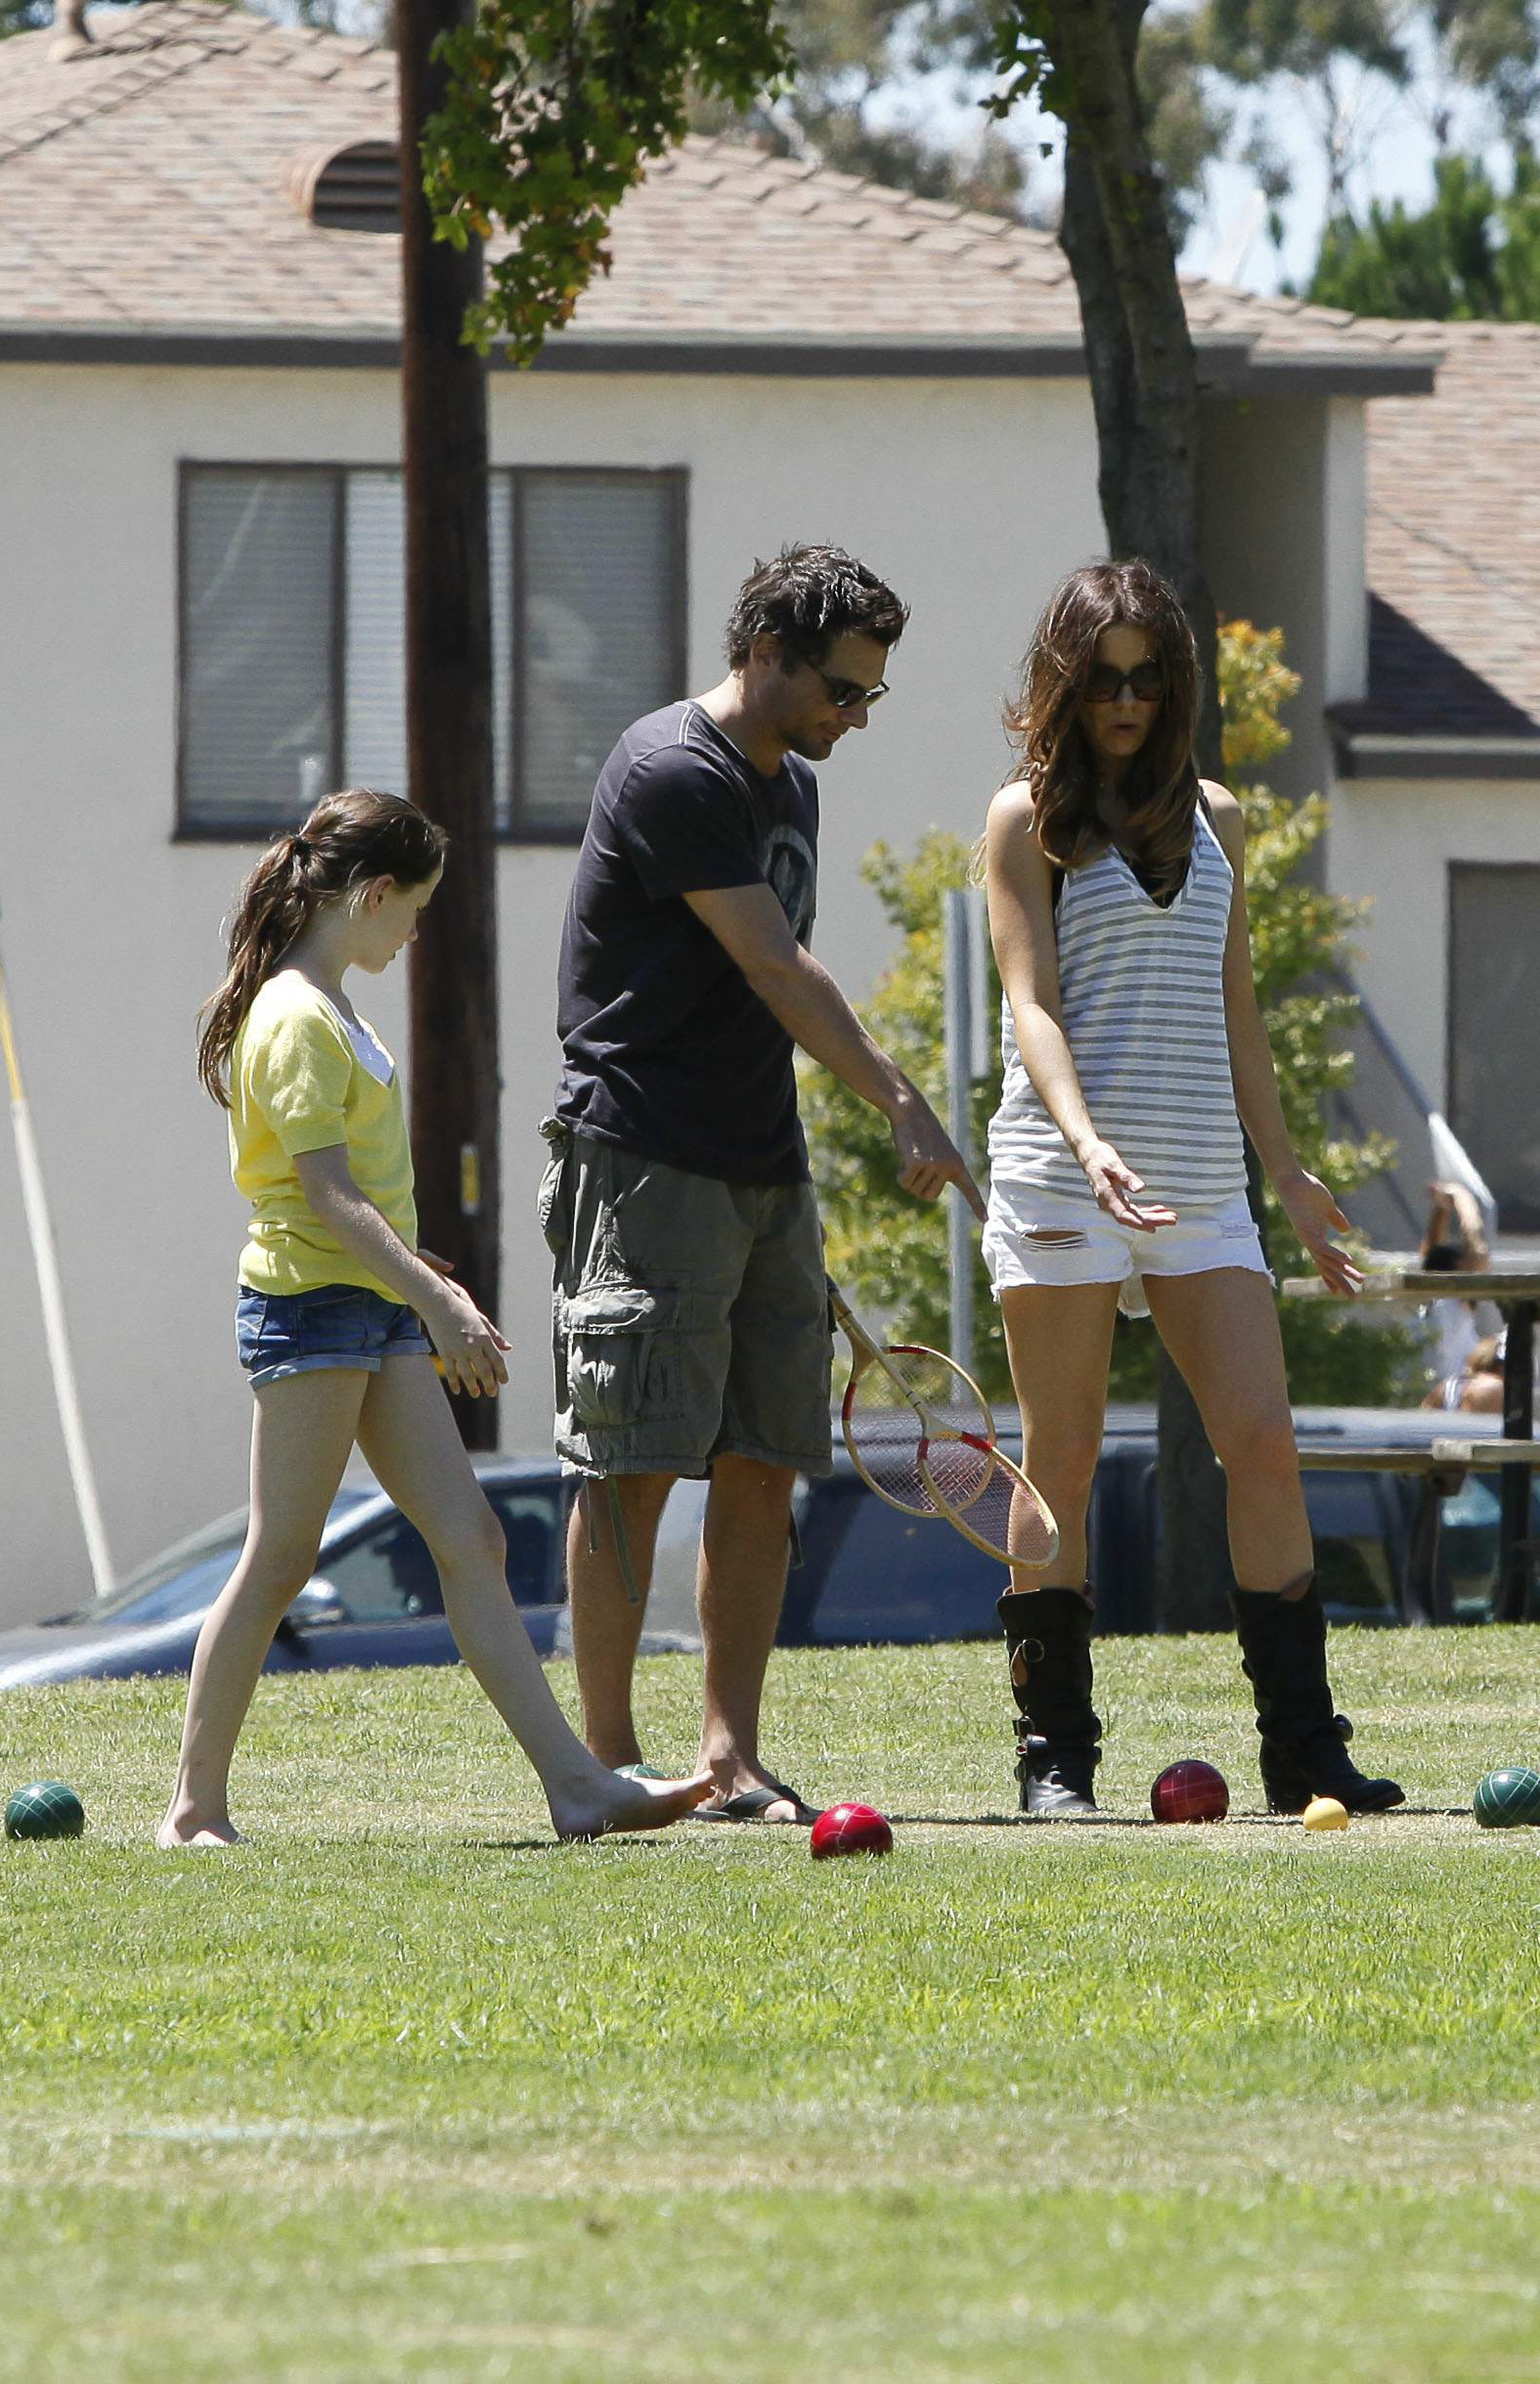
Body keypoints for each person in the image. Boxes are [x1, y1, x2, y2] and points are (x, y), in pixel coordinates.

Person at [162, 788, 713, 1849]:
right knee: (282, 1555)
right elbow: (326, 1193)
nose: (417, 930)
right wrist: (440, 1295)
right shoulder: (291, 1015)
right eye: (414, 908)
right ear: (371, 895)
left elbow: (356, 1186)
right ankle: (193, 1809)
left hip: (373, 1305)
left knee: (471, 1536)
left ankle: (576, 1787)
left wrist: (414, 1286)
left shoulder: (333, 1006)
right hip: (315, 1307)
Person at [549, 546, 974, 1823]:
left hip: (759, 1166)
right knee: (630, 1459)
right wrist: (900, 1097)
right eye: (839, 691)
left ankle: (729, 1758)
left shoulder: (790, 787)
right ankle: (610, 1761)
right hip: (646, 1159)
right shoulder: (673, 769)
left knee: (760, 1461)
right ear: (767, 655)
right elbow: (779, 973)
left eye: (868, 700)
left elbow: (780, 991)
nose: (852, 718)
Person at [977, 557, 1402, 1818]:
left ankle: (1304, 1751)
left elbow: (1238, 1014)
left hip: (1207, 1181)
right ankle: (1055, 1758)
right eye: (1102, 678)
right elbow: (1031, 1005)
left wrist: (1289, 1171)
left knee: (1263, 1445)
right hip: (1064, 1174)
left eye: (1148, 678)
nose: (1124, 700)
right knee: (1060, 1463)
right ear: (1065, 681)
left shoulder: (1218, 814)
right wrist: (1088, 1138)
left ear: (1176, 684)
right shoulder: (1026, 820)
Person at [1415, 1180, 1506, 1415]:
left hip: (1432, 1399)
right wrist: (1460, 1196)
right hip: (1454, 1401)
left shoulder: (1430, 1305)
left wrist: (1441, 1209)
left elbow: (1430, 1253)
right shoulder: (1453, 1305)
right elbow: (1477, 1248)